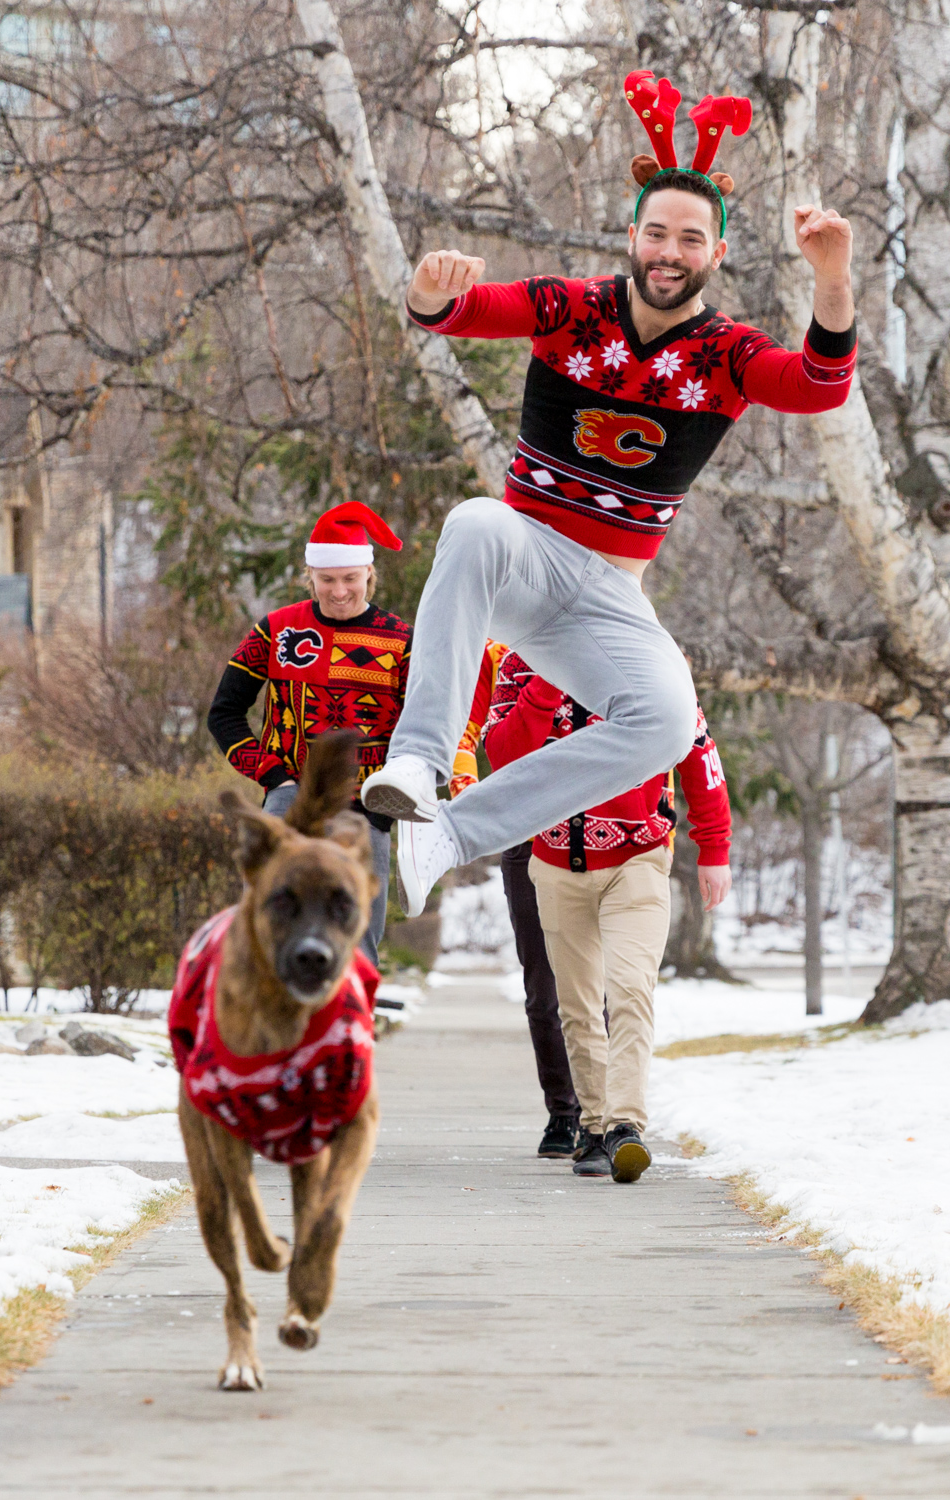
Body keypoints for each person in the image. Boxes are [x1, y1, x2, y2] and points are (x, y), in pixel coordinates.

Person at [360, 71, 856, 921]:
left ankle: (447, 836)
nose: (669, 252)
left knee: (665, 719)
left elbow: (820, 385)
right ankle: (417, 763)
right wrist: (430, 290)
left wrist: (832, 276)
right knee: (476, 521)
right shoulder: (571, 308)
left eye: (690, 239)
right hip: (525, 557)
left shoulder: (728, 354)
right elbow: (452, 313)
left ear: (717, 254)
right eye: (656, 233)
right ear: (632, 236)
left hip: (609, 597)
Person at [483, 652, 731, 1183]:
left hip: (638, 858)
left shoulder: (650, 655)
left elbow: (697, 749)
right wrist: (547, 681)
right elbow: (503, 757)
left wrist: (714, 848)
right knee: (576, 1004)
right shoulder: (521, 664)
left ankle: (625, 1125)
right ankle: (593, 1130)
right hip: (554, 860)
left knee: (630, 990)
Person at [207, 502, 409, 967]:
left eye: (350, 578)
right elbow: (224, 713)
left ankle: (350, 1015)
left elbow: (420, 730)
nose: (339, 591)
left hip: (365, 808)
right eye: (327, 579)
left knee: (357, 942)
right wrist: (272, 776)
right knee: (267, 927)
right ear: (310, 576)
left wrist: (384, 806)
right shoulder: (276, 631)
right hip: (288, 801)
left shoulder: (402, 641)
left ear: (369, 573)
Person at [451, 641, 582, 1160]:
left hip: (603, 835)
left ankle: (607, 1114)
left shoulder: (612, 637)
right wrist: (471, 795)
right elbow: (469, 732)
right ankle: (563, 1112)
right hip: (527, 832)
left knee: (601, 988)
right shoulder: (499, 654)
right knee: (543, 989)